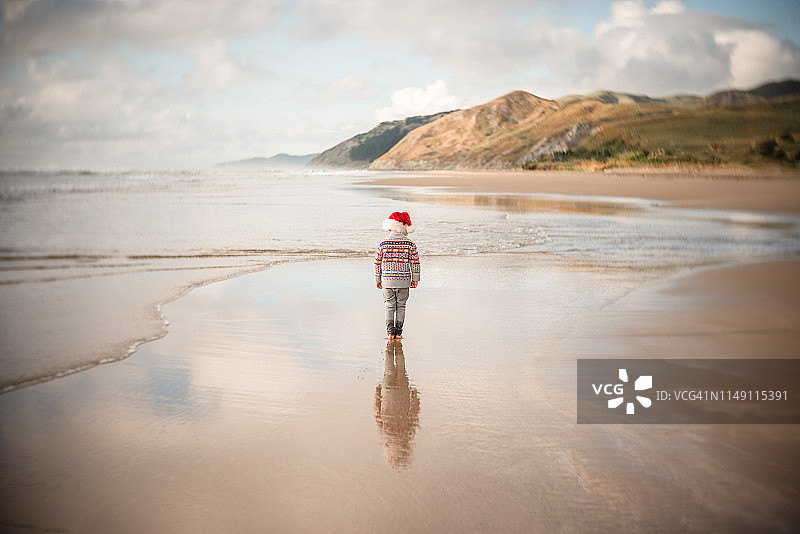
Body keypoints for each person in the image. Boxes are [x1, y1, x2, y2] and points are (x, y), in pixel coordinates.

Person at [374, 211, 420, 339]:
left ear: (390, 226)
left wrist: (378, 278)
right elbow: (415, 262)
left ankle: (390, 333)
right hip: (404, 281)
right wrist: (415, 278)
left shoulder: (383, 243)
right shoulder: (410, 244)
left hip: (387, 281)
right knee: (401, 305)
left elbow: (377, 262)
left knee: (389, 306)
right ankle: (398, 333)